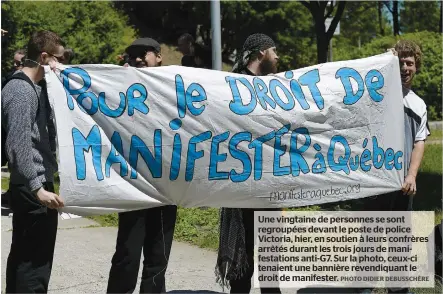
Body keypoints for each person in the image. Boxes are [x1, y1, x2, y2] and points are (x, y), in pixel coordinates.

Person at [358, 40, 430, 294]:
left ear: (416, 67)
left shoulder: (419, 105)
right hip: (376, 180)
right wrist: (383, 61)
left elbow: (419, 142)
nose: (404, 67)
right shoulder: (376, 96)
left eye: (409, 63)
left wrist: (412, 174)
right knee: (371, 237)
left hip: (403, 184)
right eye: (400, 62)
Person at [107, 37, 178, 294]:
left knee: (158, 257)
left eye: (143, 54)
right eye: (132, 55)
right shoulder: (119, 86)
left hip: (166, 186)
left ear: (158, 57)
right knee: (127, 252)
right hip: (133, 184)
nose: (137, 59)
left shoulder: (175, 85)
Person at [215, 33, 281, 294]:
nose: (277, 57)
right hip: (242, 185)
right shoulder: (233, 86)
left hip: (269, 184)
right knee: (243, 257)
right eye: (274, 51)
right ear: (261, 52)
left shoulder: (274, 87)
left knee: (270, 257)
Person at [2, 30, 65, 293]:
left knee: (25, 258)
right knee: (34, 264)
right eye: (57, 59)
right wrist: (38, 188)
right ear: (43, 57)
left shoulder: (35, 88)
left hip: (34, 185)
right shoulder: (19, 90)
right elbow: (18, 145)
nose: (60, 65)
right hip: (32, 190)